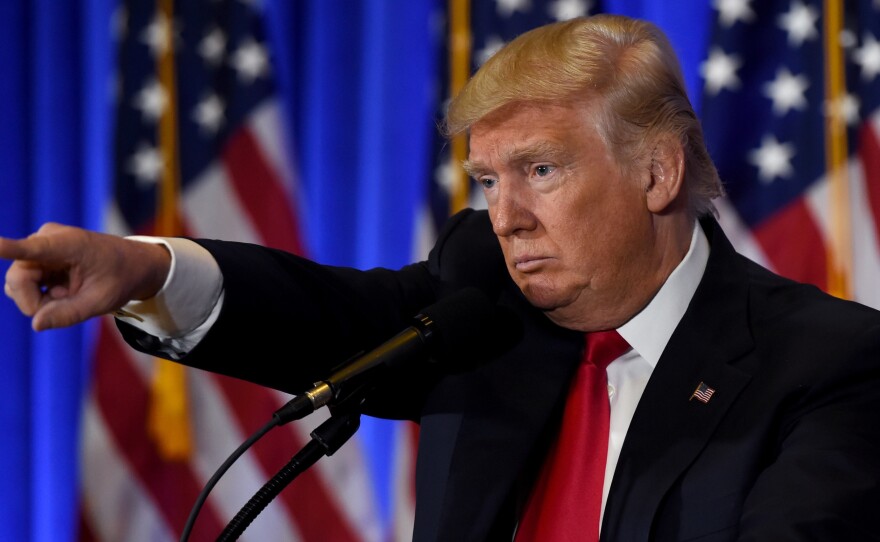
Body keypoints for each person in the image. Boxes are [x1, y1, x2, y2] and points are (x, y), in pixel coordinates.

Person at [3, 13, 880, 541]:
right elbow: (333, 318)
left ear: (657, 172)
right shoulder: (484, 301)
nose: (506, 216)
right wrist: (145, 268)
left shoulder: (827, 362)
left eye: (540, 171)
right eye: (489, 182)